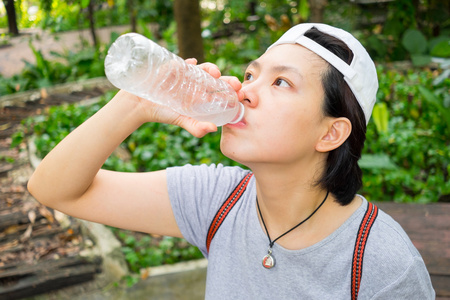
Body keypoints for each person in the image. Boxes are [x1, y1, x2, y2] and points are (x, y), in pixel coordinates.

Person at [28, 23, 435, 299]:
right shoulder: (217, 200)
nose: (246, 91)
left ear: (330, 133)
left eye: (281, 82)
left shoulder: (384, 267)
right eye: (251, 74)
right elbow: (53, 189)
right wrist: (136, 103)